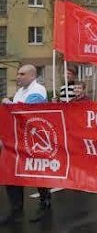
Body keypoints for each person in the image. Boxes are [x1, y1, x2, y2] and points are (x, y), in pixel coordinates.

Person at [0, 65, 52, 224]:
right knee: (11, 173)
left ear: (31, 75)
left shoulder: (38, 90)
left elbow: (27, 112)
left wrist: (8, 104)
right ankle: (16, 210)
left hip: (34, 140)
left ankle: (45, 203)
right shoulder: (20, 92)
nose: (18, 77)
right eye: (17, 73)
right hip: (16, 140)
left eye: (22, 74)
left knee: (36, 173)